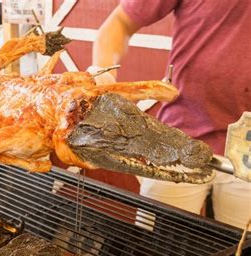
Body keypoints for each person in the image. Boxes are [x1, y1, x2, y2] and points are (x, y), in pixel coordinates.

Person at [90, 1, 251, 229]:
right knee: (156, 246)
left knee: (242, 251)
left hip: (248, 149)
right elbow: (120, 22)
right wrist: (102, 75)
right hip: (179, 137)